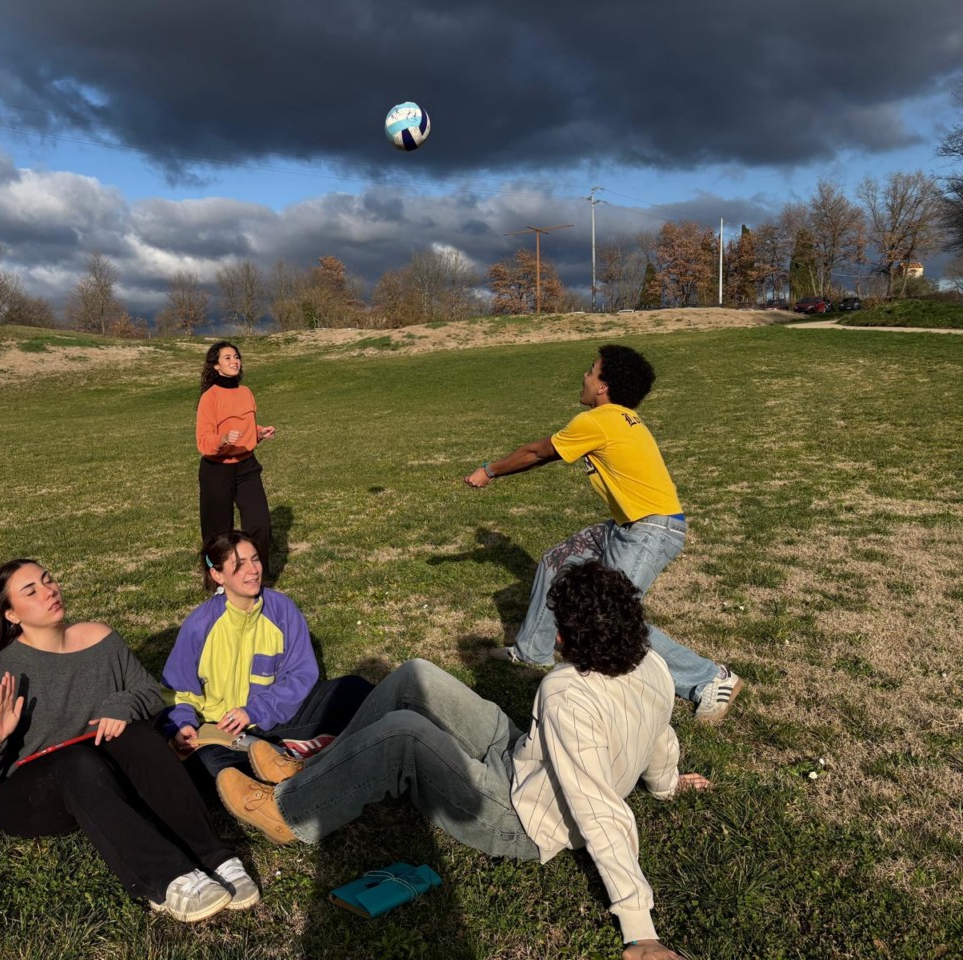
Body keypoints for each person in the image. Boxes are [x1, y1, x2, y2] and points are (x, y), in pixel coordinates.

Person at [216, 561, 711, 960]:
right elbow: (659, 733)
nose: (553, 638)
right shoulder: (652, 663)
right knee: (416, 676)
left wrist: (639, 927)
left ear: (576, 637)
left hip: (522, 817)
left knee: (403, 735)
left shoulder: (568, 694)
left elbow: (598, 808)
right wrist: (666, 784)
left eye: (560, 628)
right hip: (526, 759)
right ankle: (317, 771)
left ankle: (288, 811)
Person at [0, 558, 259, 923]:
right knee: (75, 761)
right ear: (12, 615)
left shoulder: (100, 639)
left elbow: (148, 692)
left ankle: (215, 857)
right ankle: (167, 878)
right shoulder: (5, 671)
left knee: (137, 733)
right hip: (27, 796)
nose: (50, 591)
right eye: (32, 591)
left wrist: (120, 704)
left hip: (99, 781)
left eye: (49, 580)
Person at [463, 344, 741, 722]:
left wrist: (489, 470)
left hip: (651, 530)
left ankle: (710, 679)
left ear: (604, 387)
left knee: (610, 618)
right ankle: (532, 650)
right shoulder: (623, 418)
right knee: (557, 560)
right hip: (630, 525)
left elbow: (538, 453)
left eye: (591, 370)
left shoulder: (598, 421)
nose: (584, 375)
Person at [160, 530, 373, 779]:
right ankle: (292, 755)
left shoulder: (282, 609)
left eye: (255, 559)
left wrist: (253, 711)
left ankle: (283, 754)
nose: (252, 570)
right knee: (208, 764)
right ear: (218, 575)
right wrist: (184, 724)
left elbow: (300, 674)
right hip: (223, 734)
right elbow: (177, 692)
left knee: (353, 689)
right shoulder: (199, 625)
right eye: (239, 565)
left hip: (274, 717)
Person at [197, 342, 276, 567]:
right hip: (216, 469)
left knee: (260, 524)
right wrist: (221, 440)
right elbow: (203, 442)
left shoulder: (246, 392)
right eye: (227, 358)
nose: (234, 361)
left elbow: (246, 426)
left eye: (236, 357)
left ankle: (254, 575)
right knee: (218, 532)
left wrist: (259, 432)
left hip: (246, 466)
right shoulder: (210, 398)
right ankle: (219, 580)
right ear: (216, 366)